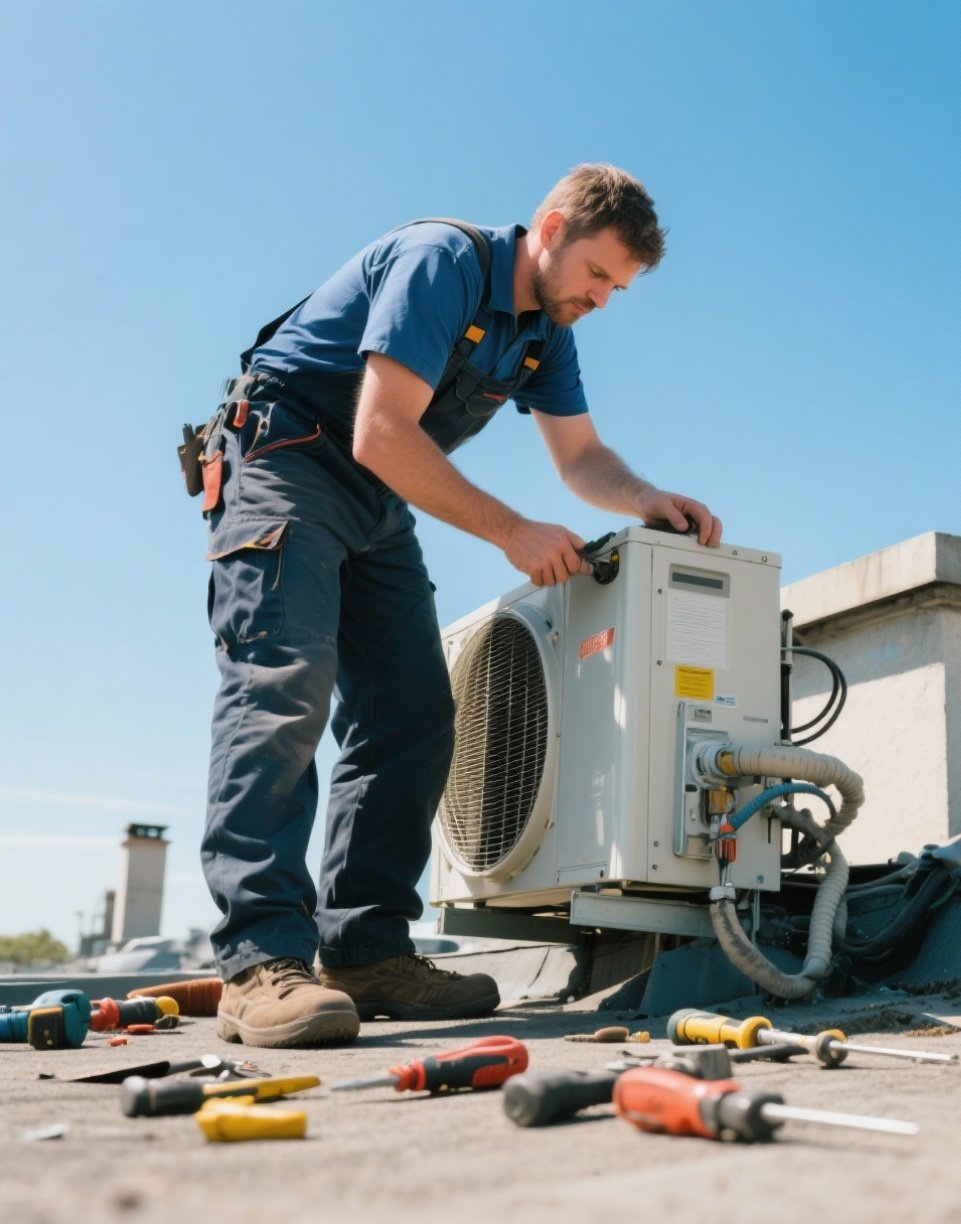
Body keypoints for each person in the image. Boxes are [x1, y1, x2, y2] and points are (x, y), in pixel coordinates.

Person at [199, 164, 722, 1047]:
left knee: (414, 711)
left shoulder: (544, 334)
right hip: (287, 459)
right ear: (551, 228)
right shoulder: (442, 263)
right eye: (598, 275)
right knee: (284, 686)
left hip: (371, 496)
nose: (601, 299)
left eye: (618, 290)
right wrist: (512, 530)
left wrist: (647, 500)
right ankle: (259, 961)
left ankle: (363, 952)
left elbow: (582, 457)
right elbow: (381, 429)